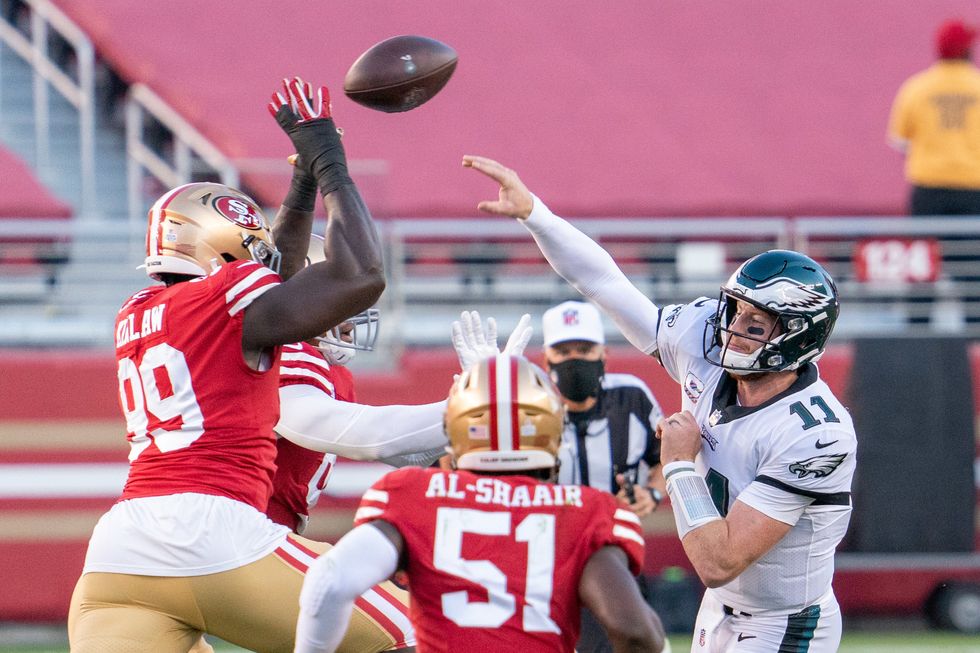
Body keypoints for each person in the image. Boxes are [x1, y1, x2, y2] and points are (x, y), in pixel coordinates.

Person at [463, 155, 856, 653]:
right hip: (719, 608)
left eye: (755, 324)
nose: (732, 329)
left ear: (798, 337)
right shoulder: (706, 345)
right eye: (735, 311)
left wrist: (677, 465)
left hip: (783, 621)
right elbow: (604, 283)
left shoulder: (817, 434)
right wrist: (535, 215)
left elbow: (719, 560)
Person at [68, 76, 396, 653]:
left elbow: (275, 279)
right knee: (426, 633)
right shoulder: (223, 300)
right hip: (215, 531)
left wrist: (300, 188)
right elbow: (361, 275)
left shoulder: (139, 310)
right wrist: (328, 160)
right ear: (226, 250)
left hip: (120, 551)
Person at [292, 354, 667, 653]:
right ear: (552, 431)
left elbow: (331, 580)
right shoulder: (587, 511)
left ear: (456, 430)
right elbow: (634, 632)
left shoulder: (412, 494)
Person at [540, 299, 665, 653]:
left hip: (616, 553)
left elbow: (667, 459)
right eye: (564, 351)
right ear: (547, 360)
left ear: (604, 355)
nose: (574, 359)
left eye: (584, 349)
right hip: (547, 559)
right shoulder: (533, 408)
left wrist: (652, 493)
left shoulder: (631, 397)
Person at [888, 18, 980, 215]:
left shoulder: (916, 88)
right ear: (966, 51)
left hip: (929, 189)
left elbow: (900, 141)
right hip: (975, 188)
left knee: (930, 236)